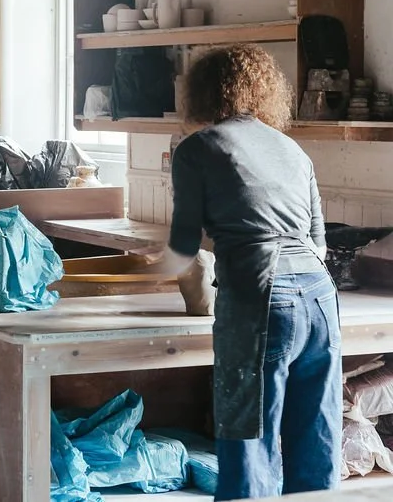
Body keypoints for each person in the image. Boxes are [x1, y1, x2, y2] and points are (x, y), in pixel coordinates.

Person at [138, 44, 340, 500]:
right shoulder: (291, 148)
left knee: (249, 431)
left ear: (201, 94)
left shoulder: (197, 149)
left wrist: (146, 268)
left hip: (263, 295)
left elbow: (184, 248)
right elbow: (319, 245)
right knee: (317, 429)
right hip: (320, 296)